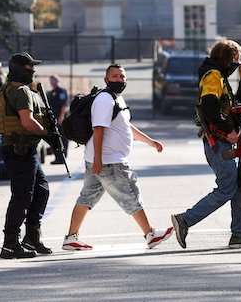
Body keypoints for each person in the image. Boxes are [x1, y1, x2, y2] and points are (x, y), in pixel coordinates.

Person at [63, 64, 173, 251]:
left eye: (122, 76)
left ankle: (71, 238)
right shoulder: (105, 99)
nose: (119, 79)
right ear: (106, 80)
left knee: (87, 197)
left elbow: (126, 127)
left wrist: (150, 141)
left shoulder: (117, 99)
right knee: (130, 194)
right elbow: (99, 129)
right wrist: (99, 159)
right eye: (114, 76)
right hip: (109, 161)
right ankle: (150, 234)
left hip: (101, 160)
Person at [171, 39, 241, 249]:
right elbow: (208, 108)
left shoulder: (219, 75)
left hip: (226, 143)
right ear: (227, 59)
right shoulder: (213, 75)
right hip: (219, 143)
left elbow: (237, 105)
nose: (237, 65)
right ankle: (185, 220)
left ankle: (238, 234)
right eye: (236, 61)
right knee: (227, 189)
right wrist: (228, 130)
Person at [0, 52, 53, 259]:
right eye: (29, 68)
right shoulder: (20, 91)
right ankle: (10, 243)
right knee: (22, 196)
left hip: (24, 149)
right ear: (19, 69)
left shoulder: (12, 89)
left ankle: (31, 238)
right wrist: (47, 134)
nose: (33, 71)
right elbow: (27, 122)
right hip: (19, 150)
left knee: (41, 191)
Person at [47, 75, 69, 164]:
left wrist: (61, 117)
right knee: (55, 138)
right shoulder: (51, 92)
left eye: (54, 81)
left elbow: (64, 105)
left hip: (60, 118)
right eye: (51, 81)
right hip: (53, 119)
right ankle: (57, 157)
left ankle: (62, 156)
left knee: (62, 137)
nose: (53, 83)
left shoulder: (61, 91)